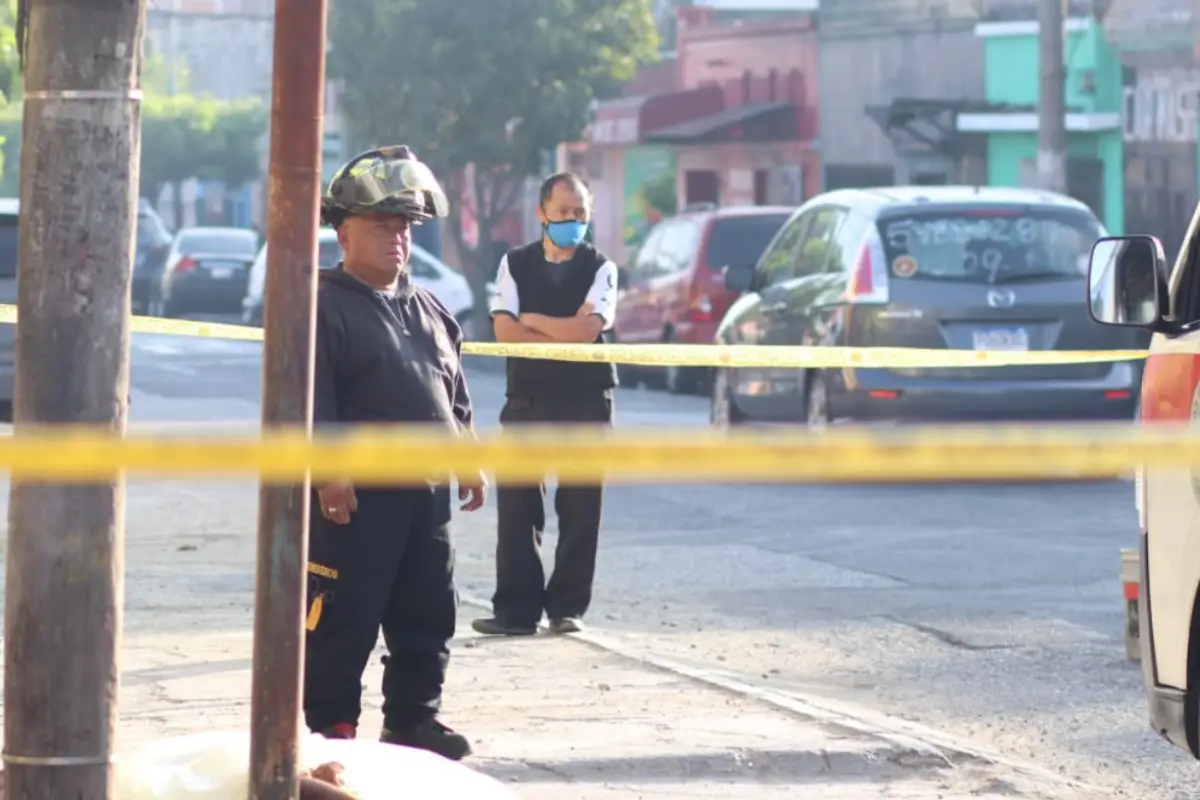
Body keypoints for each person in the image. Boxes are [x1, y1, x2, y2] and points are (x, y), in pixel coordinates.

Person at [303, 145, 486, 761]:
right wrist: (328, 471)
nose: (397, 240)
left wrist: (468, 456)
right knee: (343, 620)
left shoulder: (430, 308)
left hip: (426, 496)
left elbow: (453, 391)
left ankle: (413, 720)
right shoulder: (321, 305)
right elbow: (308, 396)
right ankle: (331, 730)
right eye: (383, 227)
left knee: (428, 615)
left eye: (404, 229)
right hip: (355, 501)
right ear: (344, 231)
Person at [471, 172, 618, 638]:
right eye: (563, 212)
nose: (572, 221)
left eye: (580, 214)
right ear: (542, 214)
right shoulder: (513, 264)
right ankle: (516, 612)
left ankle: (567, 609)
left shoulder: (602, 268)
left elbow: (587, 331)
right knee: (517, 507)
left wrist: (531, 319)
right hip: (528, 398)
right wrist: (551, 325)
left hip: (585, 400)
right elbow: (504, 332)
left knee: (580, 508)